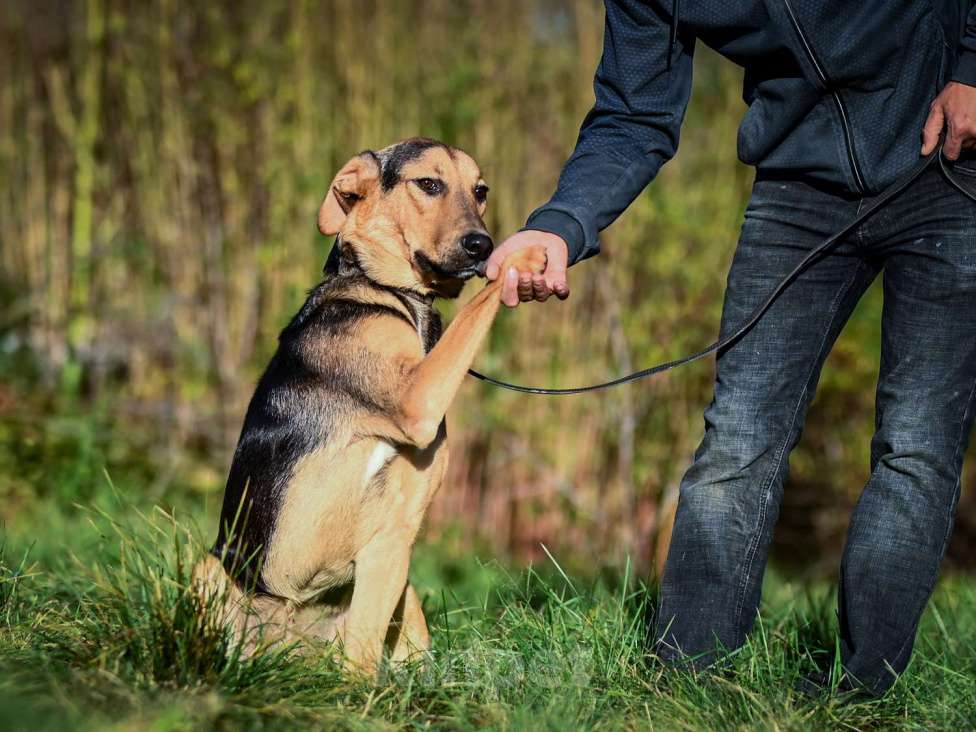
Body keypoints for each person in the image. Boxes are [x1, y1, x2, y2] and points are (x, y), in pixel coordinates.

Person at [486, 1, 976, 697]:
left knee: (916, 445)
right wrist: (560, 227)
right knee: (738, 436)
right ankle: (686, 681)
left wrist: (972, 64)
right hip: (799, 181)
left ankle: (865, 694)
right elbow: (634, 117)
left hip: (952, 158)